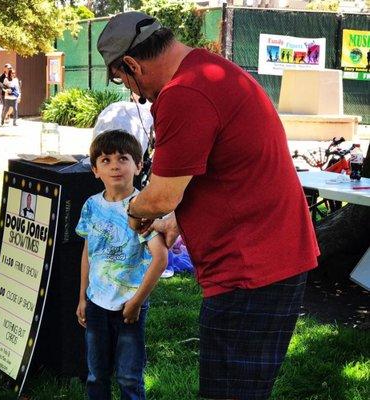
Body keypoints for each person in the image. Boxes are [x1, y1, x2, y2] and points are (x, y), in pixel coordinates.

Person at [97, 12, 319, 400]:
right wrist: (177, 220)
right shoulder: (209, 69)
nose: (136, 94)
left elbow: (162, 194)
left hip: (250, 271)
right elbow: (220, 171)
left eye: (124, 80)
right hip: (274, 258)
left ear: (131, 65)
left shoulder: (184, 92)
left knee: (228, 392)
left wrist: (135, 212)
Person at [75, 129, 167, 399]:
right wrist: (83, 296)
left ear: (138, 165)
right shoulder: (91, 206)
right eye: (105, 160)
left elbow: (160, 259)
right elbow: (88, 251)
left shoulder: (143, 208)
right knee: (96, 375)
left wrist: (137, 302)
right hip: (96, 304)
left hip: (129, 307)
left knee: (129, 378)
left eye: (122, 158)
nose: (114, 165)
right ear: (95, 170)